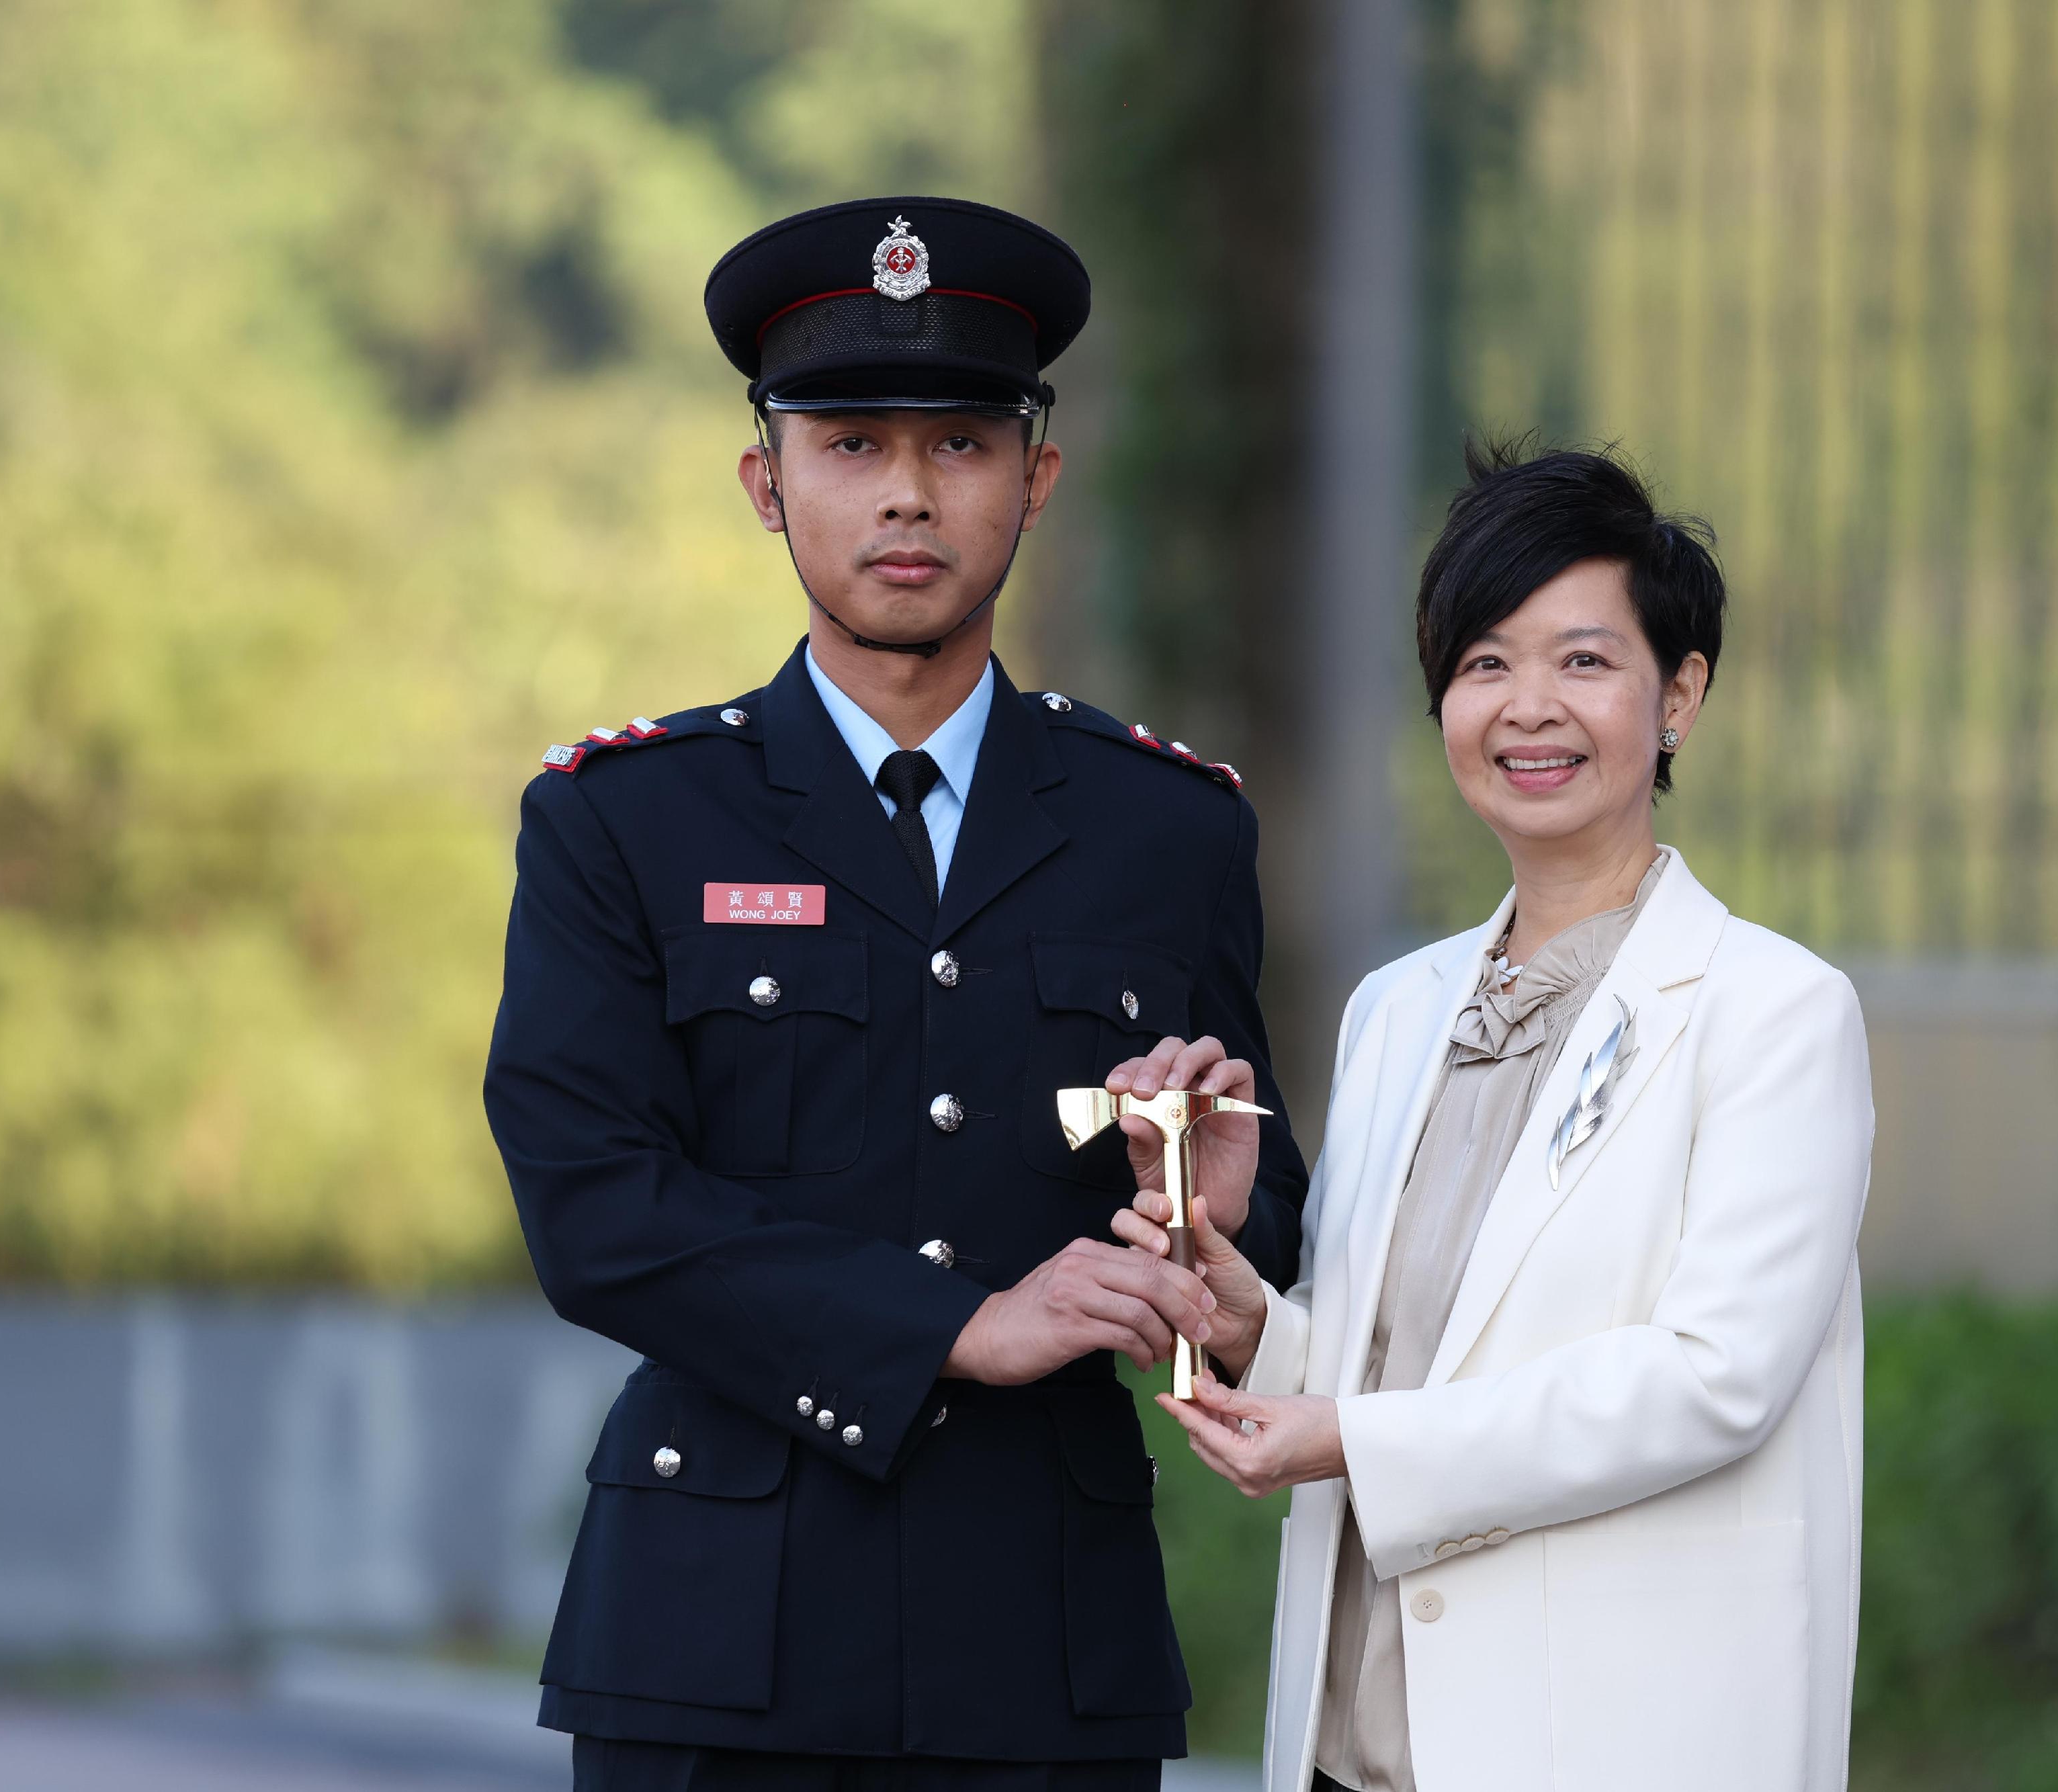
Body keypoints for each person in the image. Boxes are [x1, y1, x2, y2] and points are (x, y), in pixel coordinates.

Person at [483, 196, 1310, 1792]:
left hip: (1045, 1656)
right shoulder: (624, 821)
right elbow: (596, 1206)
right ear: (765, 483)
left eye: (960, 444)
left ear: (1036, 477)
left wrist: (1211, 1220)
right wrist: (957, 1324)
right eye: (851, 444)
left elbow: (1250, 1220)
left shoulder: (1169, 828)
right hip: (711, 1657)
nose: (909, 495)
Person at [1105, 445, 1875, 1792]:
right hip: (1353, 1749)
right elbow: (1396, 1366)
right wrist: (1247, 1323)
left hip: (1610, 1745)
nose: (1527, 708)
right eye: (1482, 664)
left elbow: (1711, 1379)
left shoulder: (1770, 1010)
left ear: (1678, 693)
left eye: (1582, 661)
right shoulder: (1399, 1008)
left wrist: (1345, 1434)